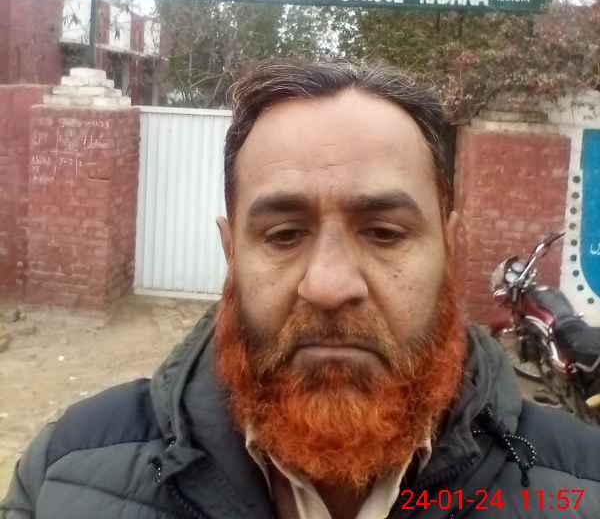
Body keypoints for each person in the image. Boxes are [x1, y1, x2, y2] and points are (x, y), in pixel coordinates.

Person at [2, 59, 600, 519]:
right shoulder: (66, 476)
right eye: (284, 235)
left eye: (384, 233)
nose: (329, 286)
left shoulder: (581, 486)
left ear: (450, 247)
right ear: (231, 254)